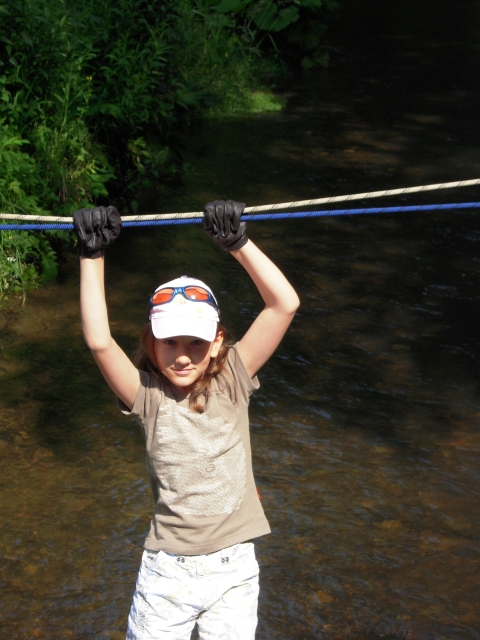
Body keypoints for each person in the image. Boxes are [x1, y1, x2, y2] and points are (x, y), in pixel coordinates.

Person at [74, 200, 300, 640]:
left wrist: (238, 244)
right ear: (151, 343)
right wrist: (91, 255)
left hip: (234, 569)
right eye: (169, 341)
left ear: (216, 342)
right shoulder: (146, 396)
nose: (182, 355)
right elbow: (100, 341)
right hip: (168, 575)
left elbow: (284, 305)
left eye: (195, 342)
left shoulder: (234, 377)